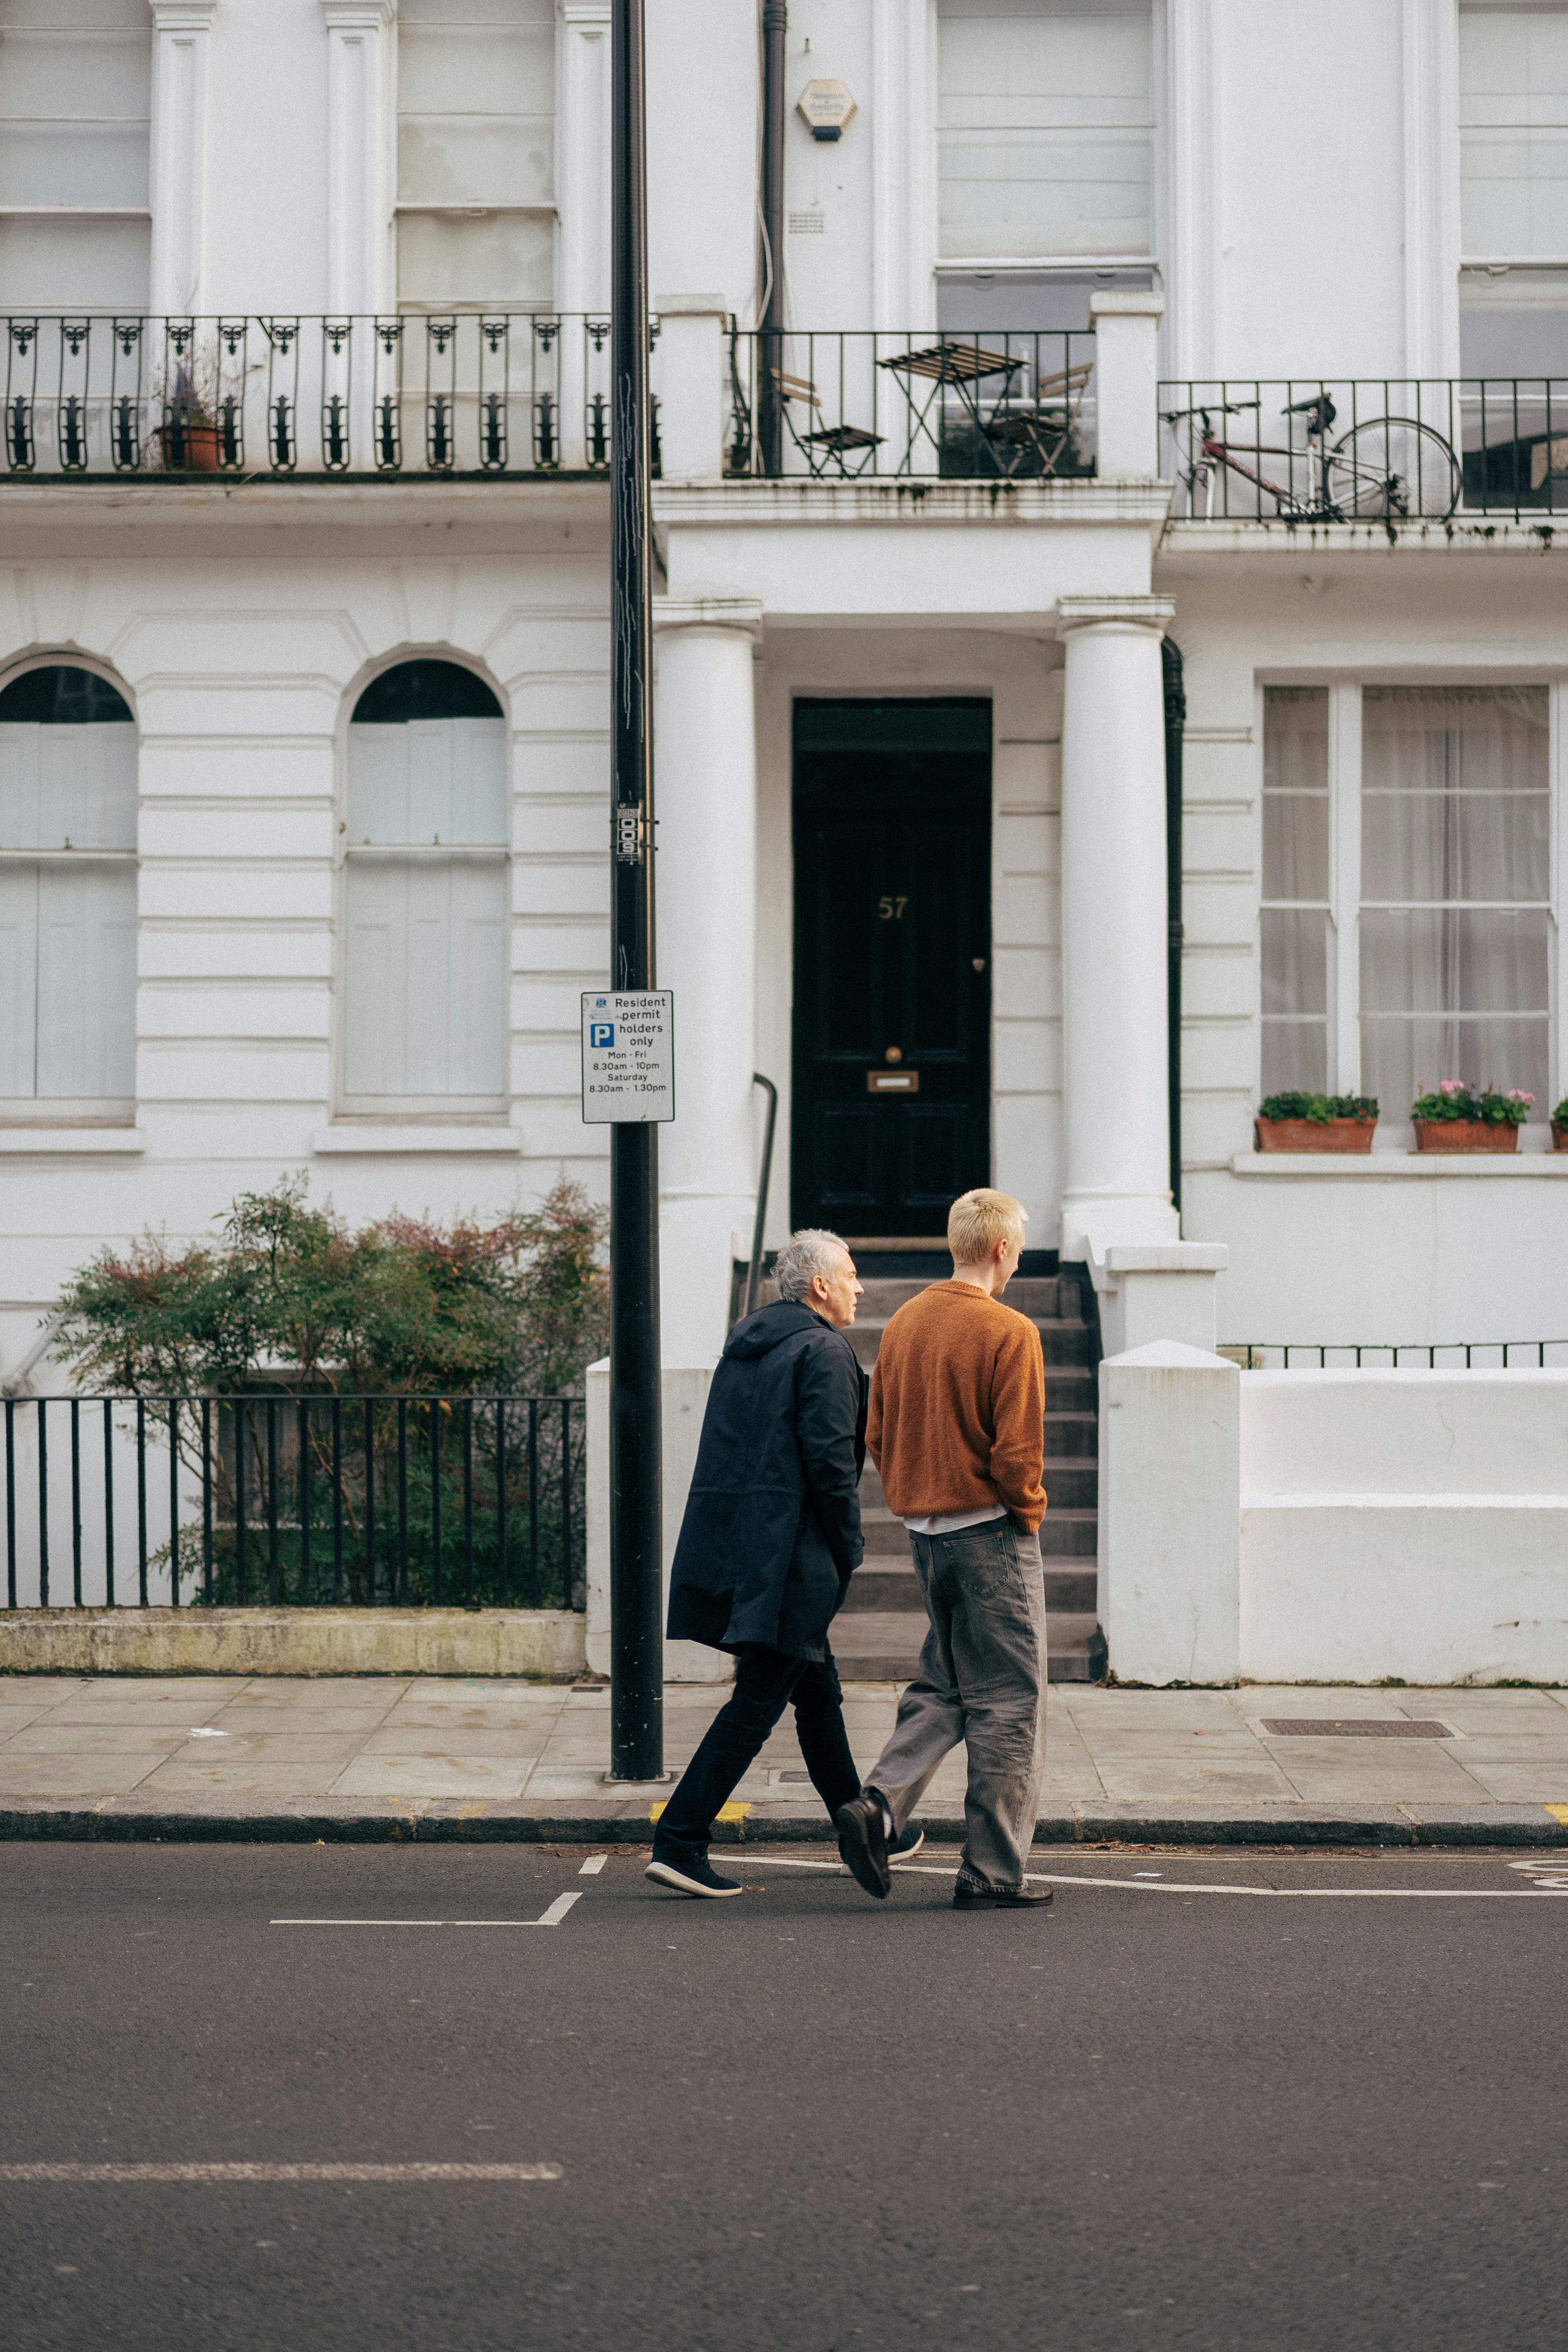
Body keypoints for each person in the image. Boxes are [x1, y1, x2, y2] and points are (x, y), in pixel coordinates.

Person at [646, 1229, 921, 1899]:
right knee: (756, 1704)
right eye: (851, 1275)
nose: (860, 1287)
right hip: (795, 1561)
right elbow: (830, 1467)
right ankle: (680, 1841)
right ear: (820, 1286)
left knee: (816, 1695)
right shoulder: (824, 1352)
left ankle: (861, 1824)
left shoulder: (751, 1345)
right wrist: (848, 1545)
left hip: (755, 1550)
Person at [835, 1188, 1052, 1910]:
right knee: (1010, 1704)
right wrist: (1029, 1512)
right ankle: (992, 1873)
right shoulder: (1010, 1331)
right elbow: (1018, 1454)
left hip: (927, 1535)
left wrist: (909, 1496)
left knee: (945, 1685)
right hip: (990, 1534)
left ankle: (879, 1805)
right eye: (1016, 1249)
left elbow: (876, 1431)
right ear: (1000, 1250)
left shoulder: (903, 1323)